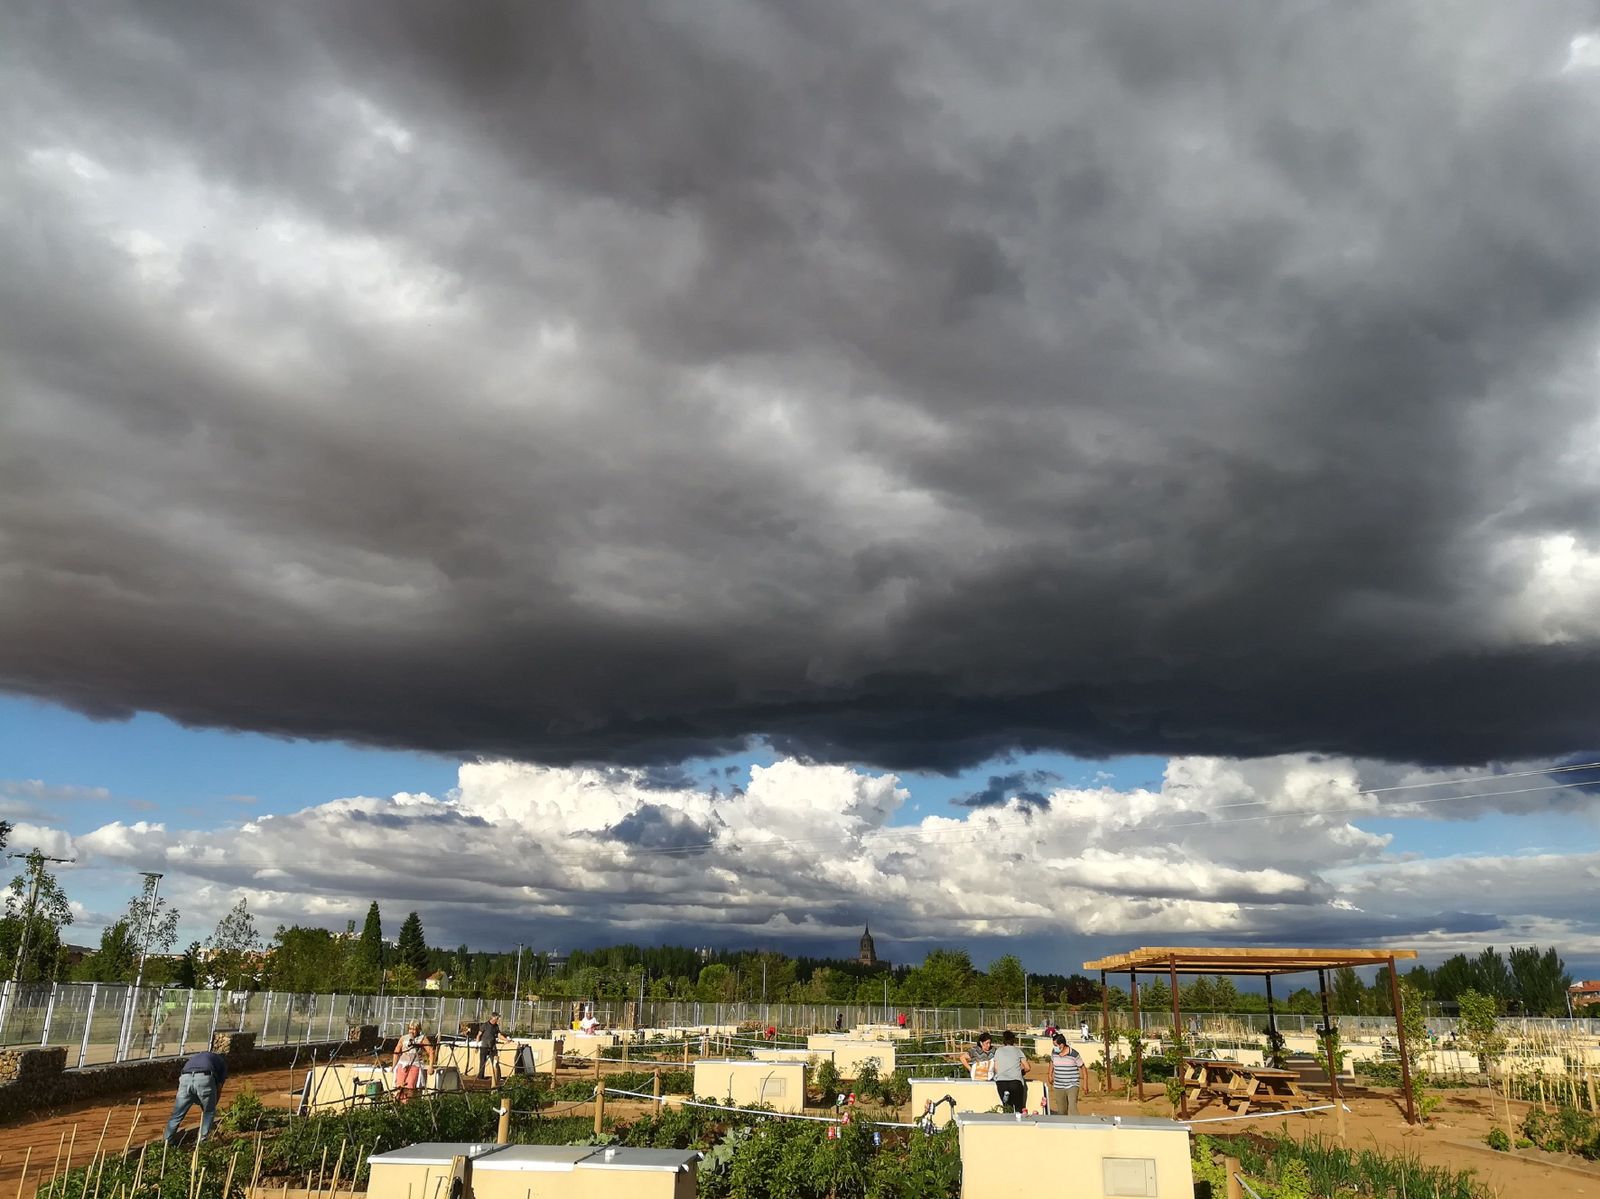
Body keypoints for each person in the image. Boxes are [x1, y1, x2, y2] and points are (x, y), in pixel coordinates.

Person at [165, 1048, 227, 1143]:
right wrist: (211, 1106)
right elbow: (219, 1087)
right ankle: (202, 1142)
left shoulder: (196, 1057)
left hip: (185, 1078)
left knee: (177, 1115)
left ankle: (167, 1141)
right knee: (209, 1112)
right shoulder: (221, 1062)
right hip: (204, 1078)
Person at [394, 1021, 434, 1102]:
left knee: (410, 1088)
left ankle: (409, 1106)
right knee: (399, 1088)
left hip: (415, 1066)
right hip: (402, 1066)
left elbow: (431, 1051)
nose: (411, 1031)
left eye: (414, 1029)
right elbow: (396, 1052)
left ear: (418, 1030)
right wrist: (393, 1066)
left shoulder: (422, 1038)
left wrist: (430, 1066)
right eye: (410, 1029)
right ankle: (399, 1106)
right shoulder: (403, 1038)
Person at [990, 1030, 1029, 1112]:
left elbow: (996, 1068)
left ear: (1003, 1040)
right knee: (1018, 1107)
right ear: (1013, 1040)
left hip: (1001, 1082)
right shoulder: (1018, 1051)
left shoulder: (998, 1051)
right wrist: (1022, 1072)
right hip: (1015, 1082)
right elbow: (1027, 1067)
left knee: (1007, 1108)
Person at [1048, 1033, 1083, 1116]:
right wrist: (1049, 1074)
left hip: (1072, 1084)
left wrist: (1085, 1083)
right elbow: (1052, 1062)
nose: (1054, 1047)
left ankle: (1077, 1125)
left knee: (1072, 1107)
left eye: (1055, 1045)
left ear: (1062, 1045)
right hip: (1059, 1085)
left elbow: (1083, 1067)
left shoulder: (1074, 1054)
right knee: (1061, 1110)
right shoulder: (1054, 1052)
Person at [478, 1012, 507, 1086]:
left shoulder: (496, 1026)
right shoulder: (485, 1025)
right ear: (494, 1018)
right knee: (482, 1062)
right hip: (484, 1046)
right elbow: (479, 1035)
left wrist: (506, 1040)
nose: (498, 1020)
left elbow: (499, 1035)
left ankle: (497, 1076)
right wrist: (477, 1044)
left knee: (495, 1061)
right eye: (497, 1018)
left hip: (492, 1046)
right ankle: (480, 1077)